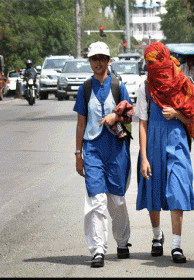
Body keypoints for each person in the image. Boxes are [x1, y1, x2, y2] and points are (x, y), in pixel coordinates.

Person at [135, 42, 194, 264]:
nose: (153, 66)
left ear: (165, 58)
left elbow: (191, 119)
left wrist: (176, 114)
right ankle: (156, 237)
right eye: (148, 62)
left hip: (177, 143)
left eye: (156, 60)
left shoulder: (183, 83)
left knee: (178, 189)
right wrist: (143, 158)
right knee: (153, 190)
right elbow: (142, 124)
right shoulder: (144, 88)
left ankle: (176, 246)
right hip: (152, 144)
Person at [73, 41, 133, 268]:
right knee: (96, 200)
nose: (98, 62)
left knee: (116, 200)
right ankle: (98, 249)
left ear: (108, 61)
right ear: (90, 62)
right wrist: (78, 154)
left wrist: (115, 117)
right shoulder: (85, 88)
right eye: (93, 58)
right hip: (92, 149)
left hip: (116, 150)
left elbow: (129, 117)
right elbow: (81, 123)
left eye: (102, 58)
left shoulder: (119, 86)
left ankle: (122, 240)